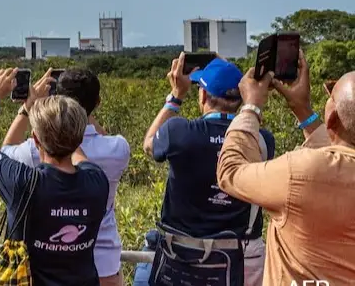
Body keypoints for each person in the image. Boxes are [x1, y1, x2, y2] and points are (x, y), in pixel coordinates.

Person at [216, 59, 355, 284]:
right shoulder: (318, 169)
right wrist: (303, 111)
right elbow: (340, 154)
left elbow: (231, 171)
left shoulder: (299, 173)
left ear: (331, 117)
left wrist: (251, 107)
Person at [141, 55, 274, 286]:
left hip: (183, 256)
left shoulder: (179, 131)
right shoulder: (262, 140)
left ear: (203, 95)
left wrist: (175, 97)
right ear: (242, 97)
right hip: (241, 257)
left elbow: (149, 144)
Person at [0, 69, 109, 286]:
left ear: (35, 140)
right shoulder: (97, 182)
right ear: (79, 137)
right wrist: (65, 122)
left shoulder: (23, 182)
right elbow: (77, 151)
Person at [3, 68, 131, 286]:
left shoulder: (36, 150)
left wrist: (28, 109)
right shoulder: (117, 148)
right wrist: (82, 113)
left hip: (51, 265)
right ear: (97, 102)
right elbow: (100, 134)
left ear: (57, 98)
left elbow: (6, 153)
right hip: (105, 261)